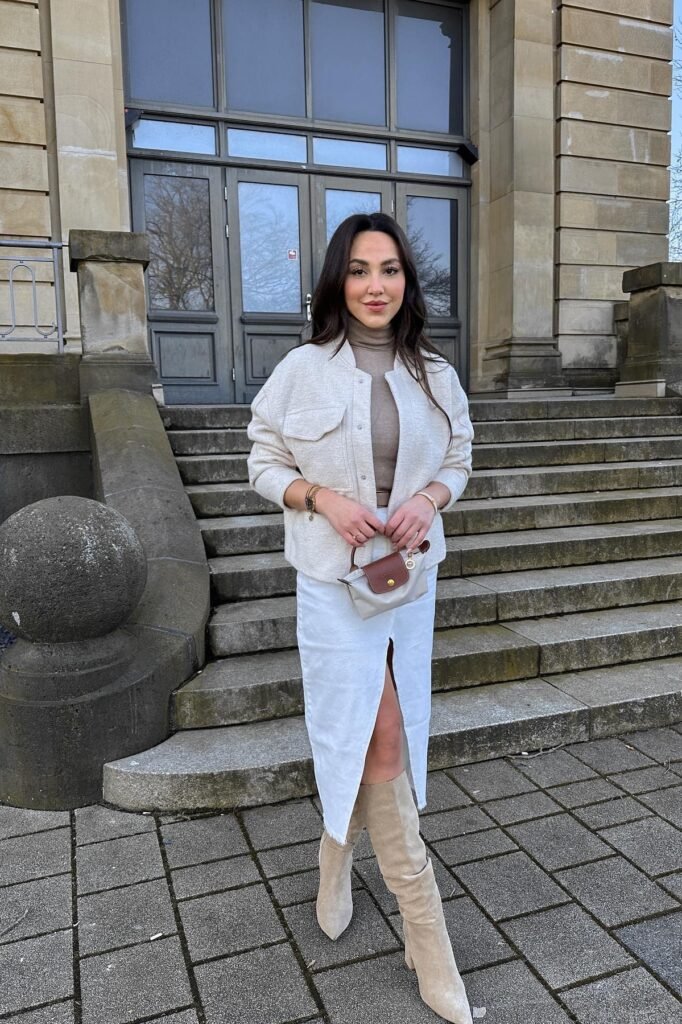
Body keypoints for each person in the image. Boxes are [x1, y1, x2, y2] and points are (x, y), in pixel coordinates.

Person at [247, 212, 474, 1024]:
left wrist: (429, 499)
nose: (376, 285)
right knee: (371, 732)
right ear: (337, 281)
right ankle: (428, 937)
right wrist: (321, 498)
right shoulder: (302, 369)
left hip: (409, 580)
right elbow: (262, 458)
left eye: (390, 269)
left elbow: (460, 457)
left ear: (408, 282)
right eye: (359, 270)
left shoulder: (436, 374)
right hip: (331, 583)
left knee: (390, 731)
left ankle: (335, 852)